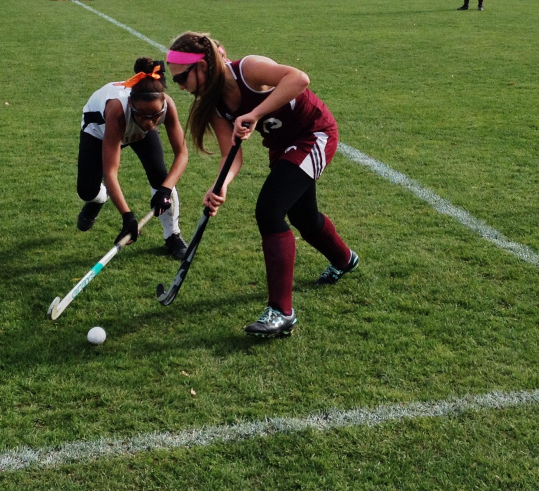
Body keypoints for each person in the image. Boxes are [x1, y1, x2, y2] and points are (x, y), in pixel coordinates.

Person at [164, 33, 358, 336]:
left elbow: (299, 79)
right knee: (304, 218)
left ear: (203, 66)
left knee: (270, 210)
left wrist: (255, 113)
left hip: (314, 134)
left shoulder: (249, 69)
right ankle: (344, 259)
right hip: (283, 147)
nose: (179, 86)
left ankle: (282, 312)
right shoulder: (214, 105)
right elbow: (232, 155)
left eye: (182, 77)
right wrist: (221, 185)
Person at [77, 58, 190, 260]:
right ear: (131, 104)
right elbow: (110, 171)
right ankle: (100, 198)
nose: (149, 122)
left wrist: (165, 189)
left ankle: (173, 235)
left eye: (155, 115)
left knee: (160, 176)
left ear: (163, 104)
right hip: (99, 131)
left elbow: (182, 154)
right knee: (86, 190)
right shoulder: (117, 111)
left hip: (134, 130)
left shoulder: (167, 107)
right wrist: (127, 216)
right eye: (143, 115)